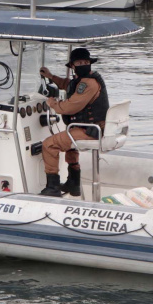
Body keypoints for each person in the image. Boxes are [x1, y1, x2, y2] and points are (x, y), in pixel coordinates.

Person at [37, 47, 109, 197]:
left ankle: (52, 187)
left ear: (89, 63)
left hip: (90, 130)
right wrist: (51, 77)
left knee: (49, 144)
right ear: (73, 66)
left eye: (86, 62)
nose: (83, 64)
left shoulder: (88, 84)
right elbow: (69, 84)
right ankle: (74, 183)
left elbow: (70, 107)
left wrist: (53, 104)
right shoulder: (83, 80)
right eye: (80, 62)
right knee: (70, 146)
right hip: (90, 128)